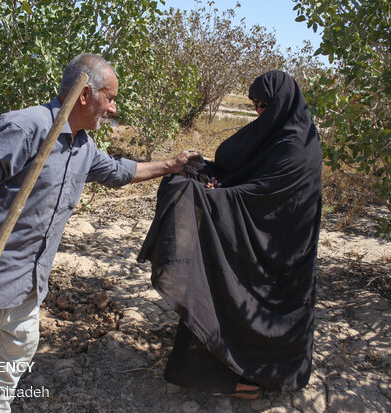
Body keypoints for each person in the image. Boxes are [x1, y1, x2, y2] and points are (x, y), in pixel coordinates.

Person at [0, 53, 199, 412]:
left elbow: (121, 172)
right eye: (110, 97)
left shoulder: (83, 146)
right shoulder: (27, 126)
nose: (114, 108)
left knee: (1, 380)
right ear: (85, 95)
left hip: (28, 287)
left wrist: (173, 165)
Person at [138, 70, 322, 399]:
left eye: (266, 104)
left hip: (281, 249)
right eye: (255, 105)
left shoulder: (297, 144)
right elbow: (240, 173)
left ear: (284, 102)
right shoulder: (273, 133)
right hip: (256, 234)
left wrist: (208, 197)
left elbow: (262, 199)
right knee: (218, 281)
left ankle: (260, 377)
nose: (260, 111)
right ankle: (224, 364)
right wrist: (204, 172)